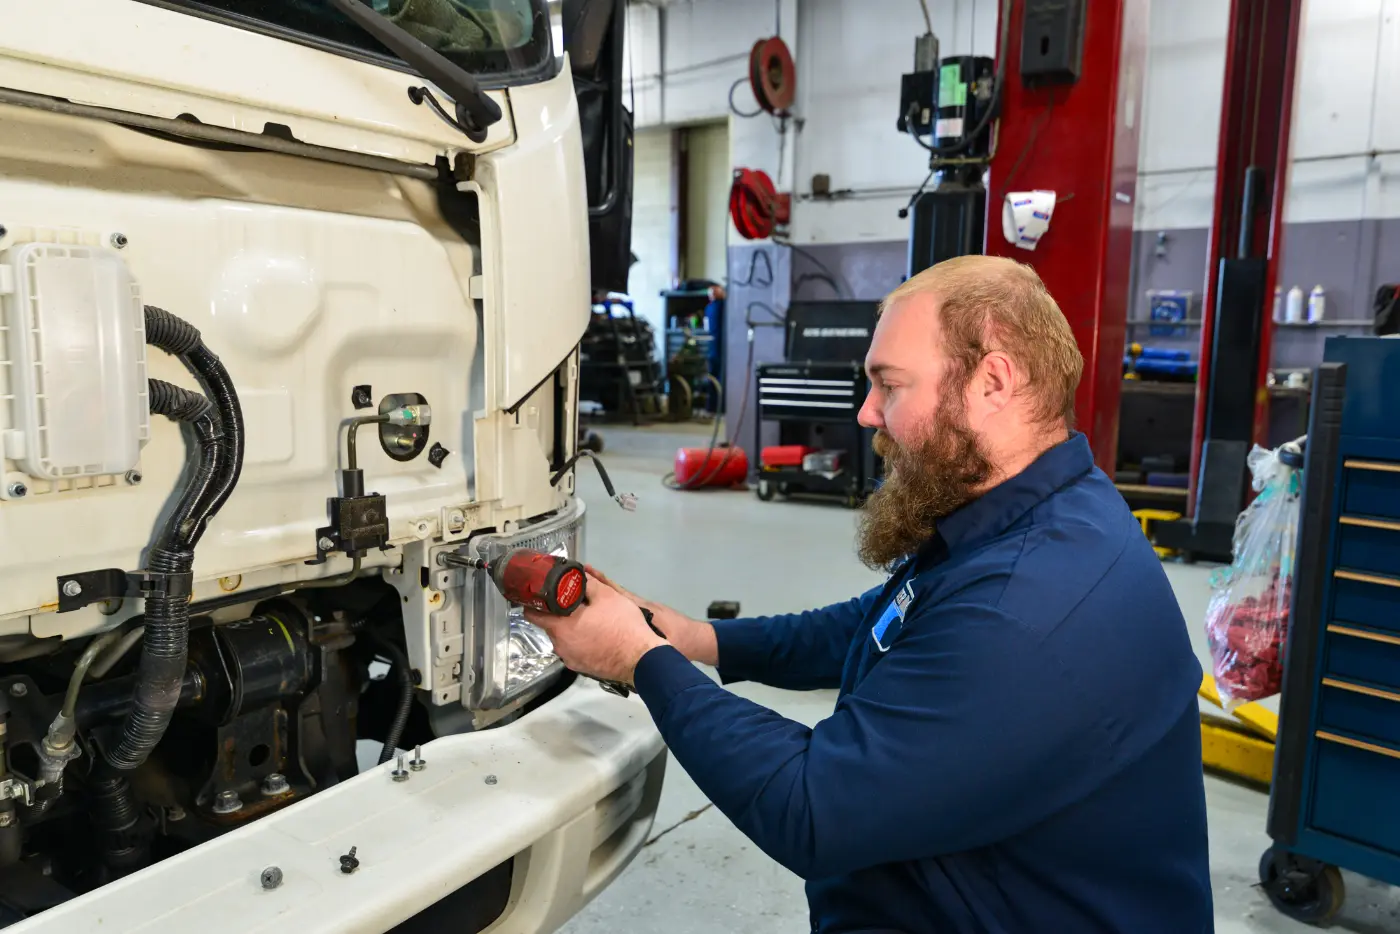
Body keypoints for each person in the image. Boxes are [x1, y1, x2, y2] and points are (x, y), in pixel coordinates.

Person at [528, 255, 1213, 934]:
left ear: (993, 382)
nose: (866, 413)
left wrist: (642, 659)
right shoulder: (1043, 508)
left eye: (890, 385)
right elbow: (891, 621)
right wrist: (698, 640)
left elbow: (813, 808)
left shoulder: (1025, 608)